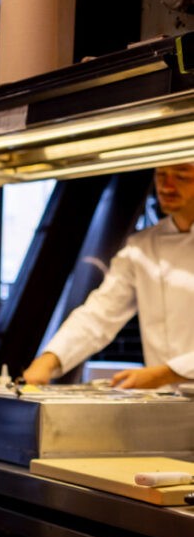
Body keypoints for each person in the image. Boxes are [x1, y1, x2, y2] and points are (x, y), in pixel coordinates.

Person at [24, 163, 194, 389]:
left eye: (182, 176)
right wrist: (49, 359)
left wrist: (167, 373)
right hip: (165, 400)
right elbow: (100, 313)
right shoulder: (142, 246)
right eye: (161, 174)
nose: (166, 186)